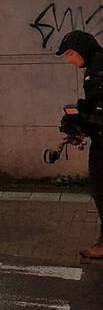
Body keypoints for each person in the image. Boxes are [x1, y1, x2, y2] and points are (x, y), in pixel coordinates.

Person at [55, 30, 103, 259]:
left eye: (71, 53)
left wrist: (82, 120)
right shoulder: (94, 69)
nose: (69, 59)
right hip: (100, 137)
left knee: (101, 188)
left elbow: (100, 111)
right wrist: (79, 114)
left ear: (83, 50)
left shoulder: (99, 70)